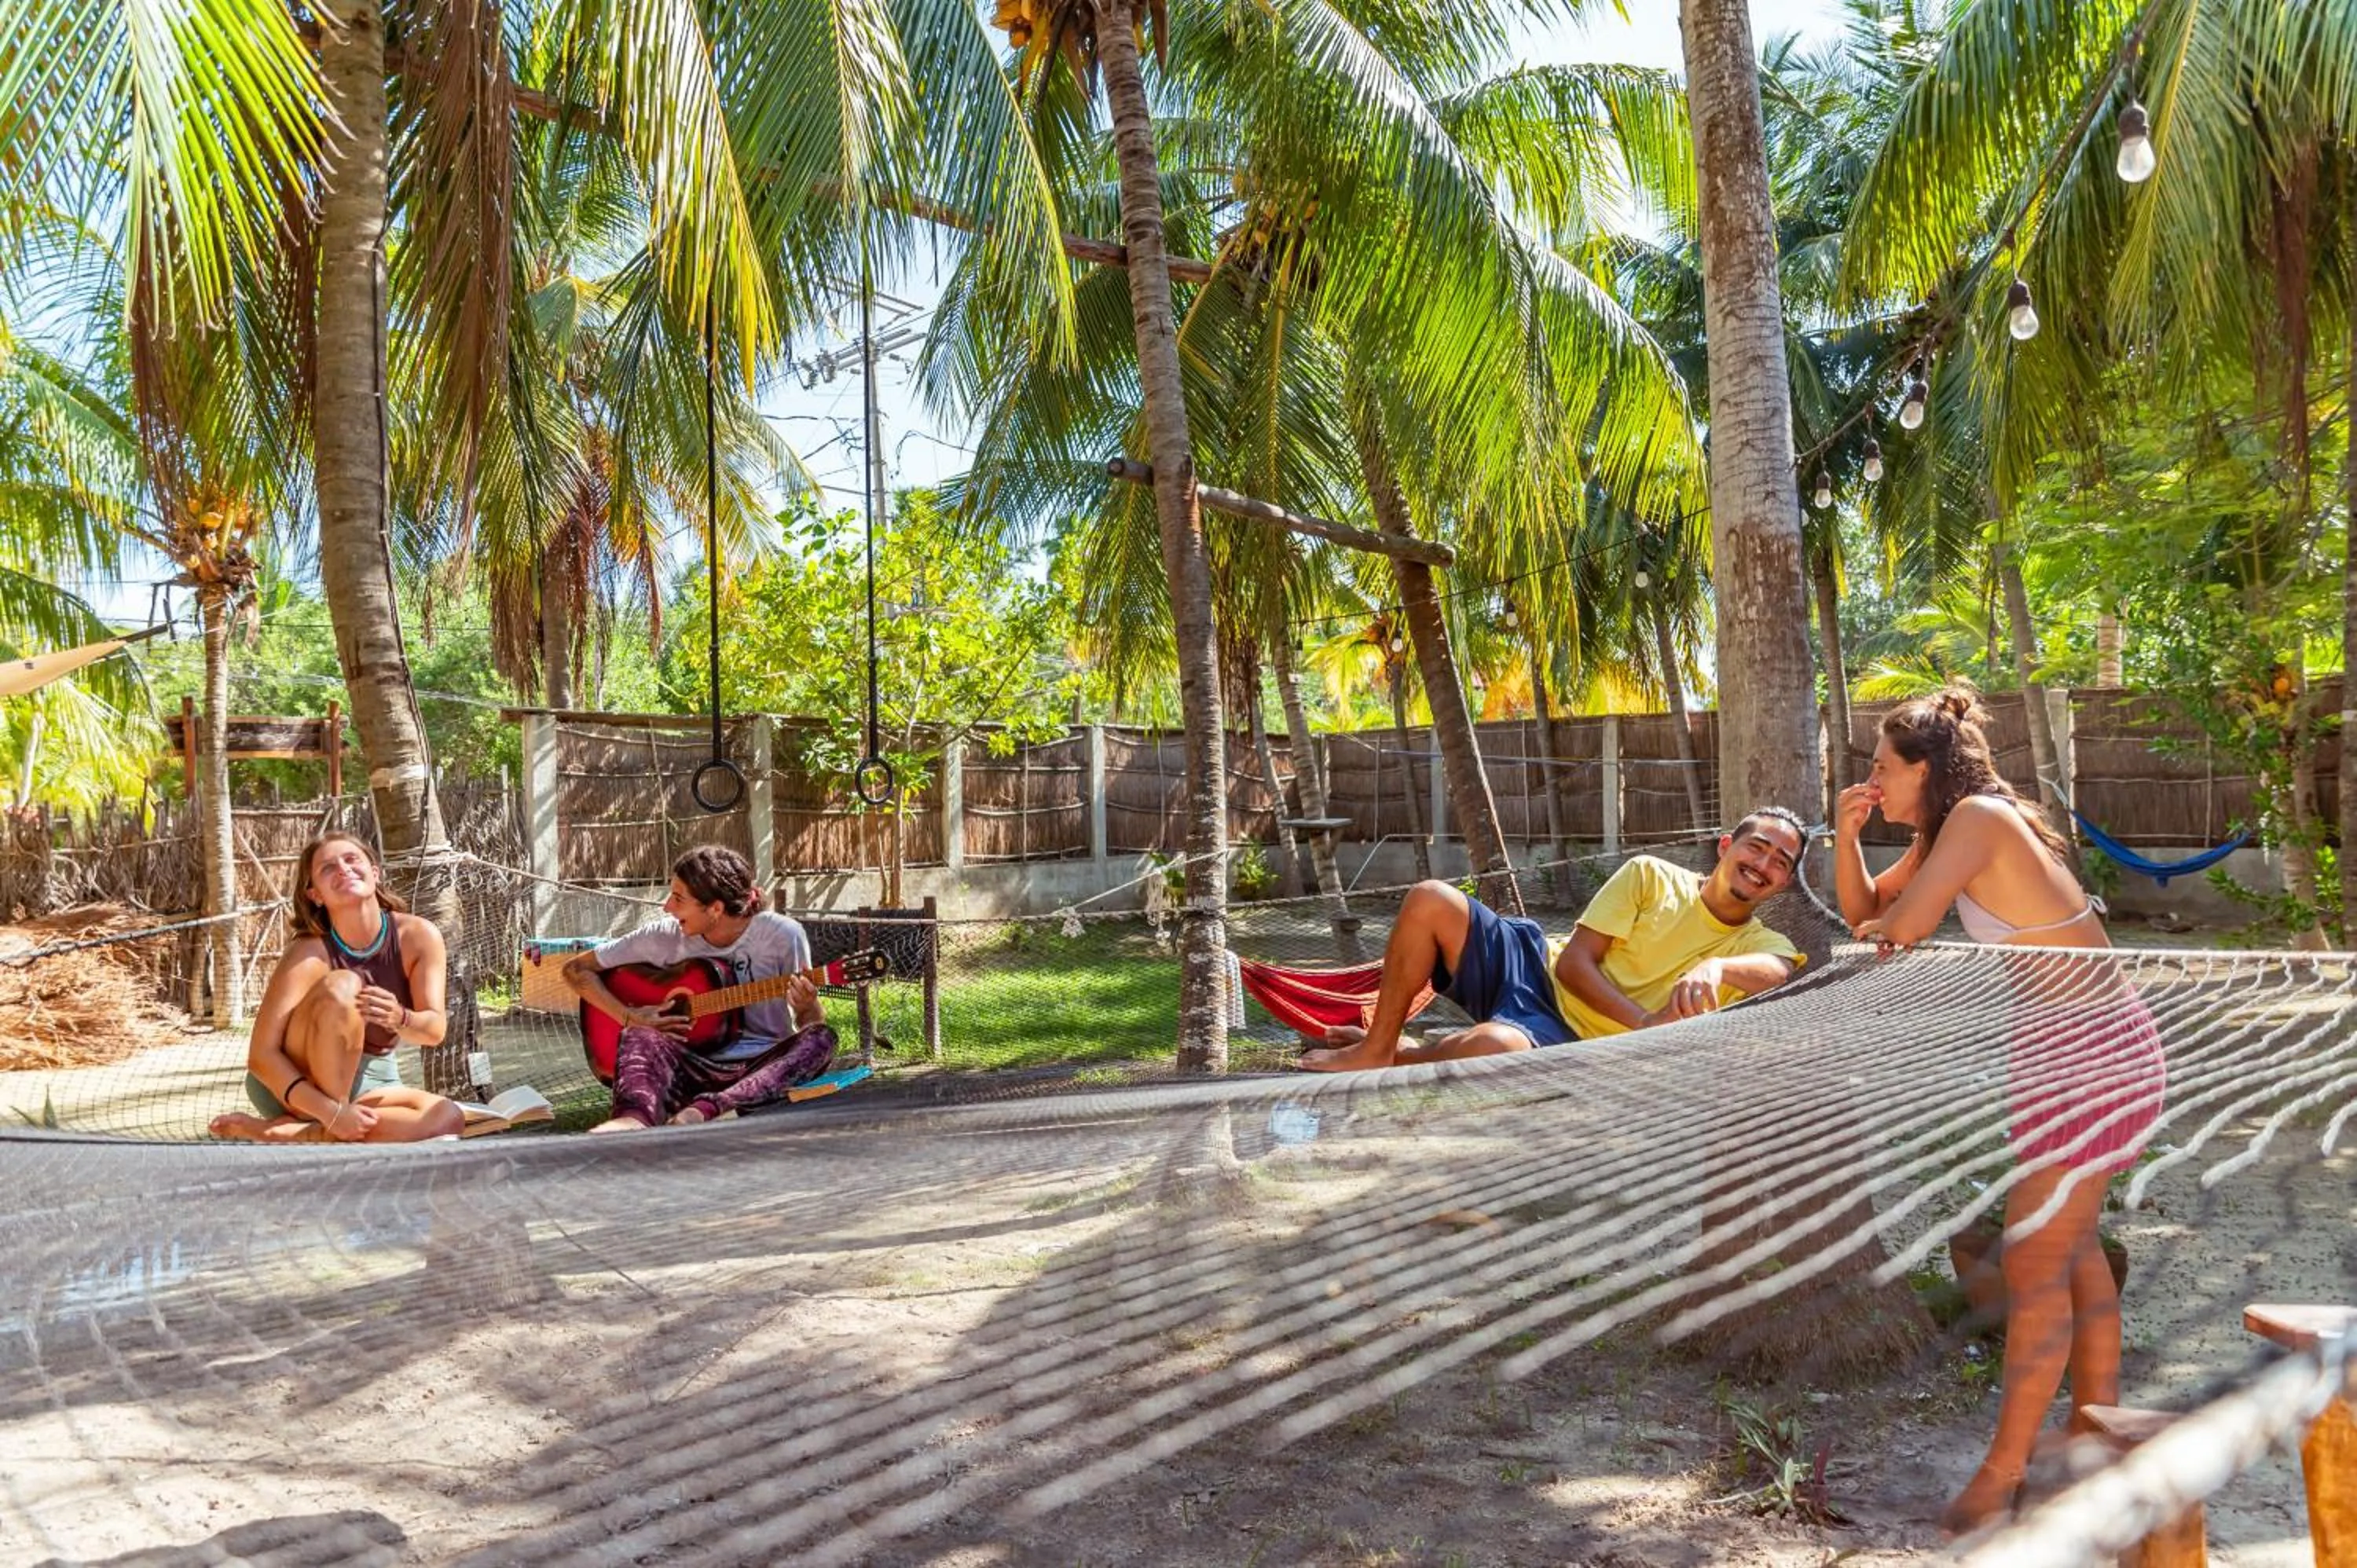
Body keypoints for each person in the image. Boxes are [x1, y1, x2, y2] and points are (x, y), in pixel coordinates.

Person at [1833, 687, 2164, 1537]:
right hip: (2055, 1052)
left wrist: (1890, 916)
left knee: (2033, 1257)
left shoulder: (1979, 819)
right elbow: (1865, 914)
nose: (1873, 780)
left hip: (2092, 1052)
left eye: (1882, 766)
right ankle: (2097, 1440)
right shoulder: (1949, 830)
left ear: (1925, 769)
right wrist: (1846, 836)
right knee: (2070, 1250)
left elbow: (1898, 930)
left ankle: (2005, 1474)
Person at [1298, 807, 1809, 1072]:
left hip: (1569, 1036)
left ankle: (1403, 1055)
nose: (1763, 864)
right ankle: (1377, 1047)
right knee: (1430, 899)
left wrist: (1718, 968)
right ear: (1725, 846)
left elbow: (1779, 972)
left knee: (1492, 1049)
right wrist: (1643, 1023)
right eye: (1757, 847)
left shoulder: (1759, 943)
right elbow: (1572, 965)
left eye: (1780, 862)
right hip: (1535, 966)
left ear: (1785, 882)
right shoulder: (1651, 875)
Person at [207, 833, 465, 1143]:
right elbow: (262, 1056)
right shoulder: (308, 953)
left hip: (373, 1078)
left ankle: (294, 1134)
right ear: (315, 894)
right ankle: (327, 1122)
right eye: (328, 868)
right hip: (296, 1084)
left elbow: (434, 1031)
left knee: (447, 1118)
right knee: (344, 984)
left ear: (375, 873)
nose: (343, 869)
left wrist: (401, 1018)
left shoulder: (419, 936)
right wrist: (331, 1112)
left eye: (352, 859)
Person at [566, 845, 836, 1130]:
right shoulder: (664, 937)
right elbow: (575, 969)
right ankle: (634, 1118)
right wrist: (628, 1016)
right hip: (689, 1068)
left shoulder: (782, 935)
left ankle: (707, 1110)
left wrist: (807, 1006)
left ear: (716, 909)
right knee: (638, 1034)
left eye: (678, 898)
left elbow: (810, 1022)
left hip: (761, 1070)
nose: (667, 908)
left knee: (822, 1038)